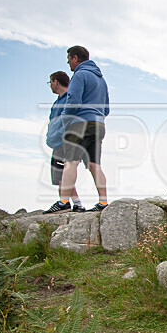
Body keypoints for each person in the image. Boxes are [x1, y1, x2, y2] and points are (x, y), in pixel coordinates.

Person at [44, 46, 110, 214]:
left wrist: (66, 121)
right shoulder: (101, 80)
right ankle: (103, 202)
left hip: (80, 123)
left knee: (70, 163)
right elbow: (107, 108)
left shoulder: (79, 75)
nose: (68, 62)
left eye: (69, 59)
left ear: (75, 58)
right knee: (94, 164)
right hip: (98, 124)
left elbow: (73, 100)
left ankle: (64, 202)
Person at [45, 71, 84, 212]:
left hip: (66, 140)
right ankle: (76, 203)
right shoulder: (58, 101)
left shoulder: (69, 99)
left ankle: (67, 203)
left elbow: (69, 121)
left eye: (50, 82)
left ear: (56, 81)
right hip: (57, 142)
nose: (50, 85)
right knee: (60, 175)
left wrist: (59, 135)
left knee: (63, 173)